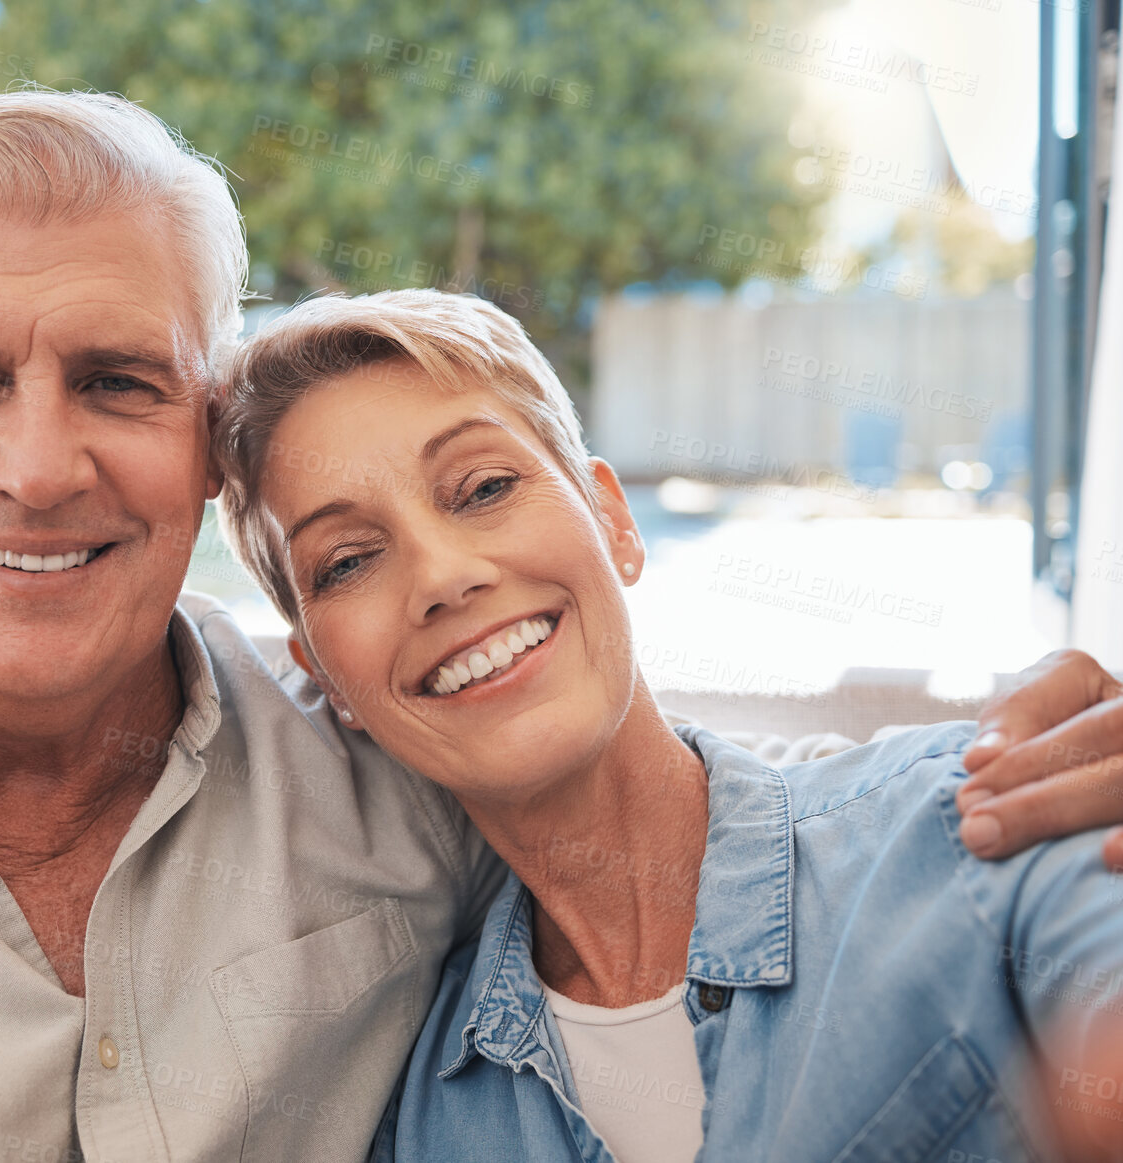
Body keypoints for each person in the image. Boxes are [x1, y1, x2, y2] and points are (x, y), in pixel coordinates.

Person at [0, 90, 1117, 1163]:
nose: (40, 458)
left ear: (201, 430)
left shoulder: (376, 779)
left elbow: (678, 821)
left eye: (119, 381)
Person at [213, 288, 1123, 1163]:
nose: (445, 575)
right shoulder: (419, 1119)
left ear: (613, 521)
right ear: (325, 675)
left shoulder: (978, 818)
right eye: (349, 561)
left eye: (484, 486)